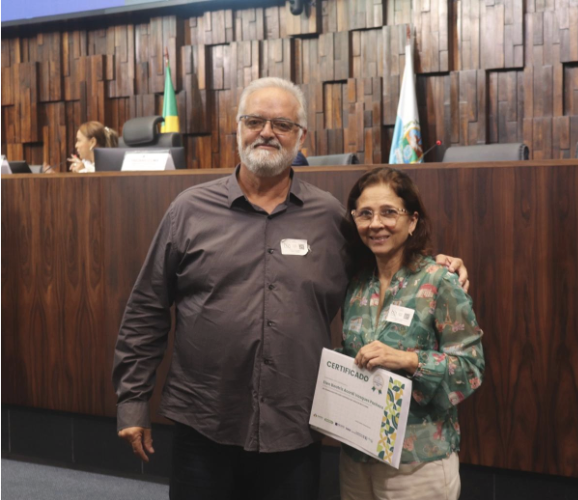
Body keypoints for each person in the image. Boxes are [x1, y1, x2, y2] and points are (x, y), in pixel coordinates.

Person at [112, 77, 468, 500]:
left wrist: (436, 263)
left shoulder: (330, 218)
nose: (266, 132)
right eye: (255, 121)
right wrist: (132, 402)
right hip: (204, 421)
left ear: (301, 137)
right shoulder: (188, 211)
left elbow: (384, 266)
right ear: (238, 129)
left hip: (293, 427)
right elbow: (146, 310)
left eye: (282, 124)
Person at [339, 167, 485, 500]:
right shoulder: (357, 285)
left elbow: (471, 370)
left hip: (418, 462)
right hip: (357, 457)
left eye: (389, 212)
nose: (376, 223)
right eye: (365, 214)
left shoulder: (439, 281)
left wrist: (408, 360)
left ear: (413, 220)